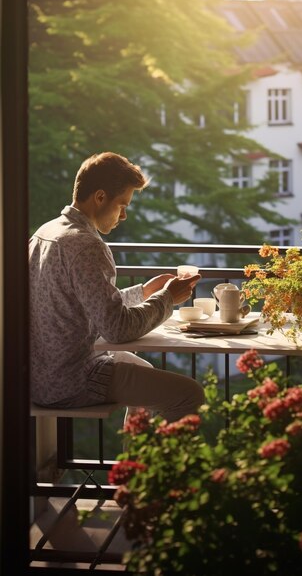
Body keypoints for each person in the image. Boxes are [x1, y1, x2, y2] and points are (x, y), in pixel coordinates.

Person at [29, 151, 204, 422]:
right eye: (122, 205)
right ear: (100, 197)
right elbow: (117, 329)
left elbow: (86, 305)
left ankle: (134, 462)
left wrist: (144, 292)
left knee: (143, 371)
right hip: (72, 380)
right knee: (189, 394)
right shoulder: (87, 245)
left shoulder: (46, 233)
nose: (123, 216)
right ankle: (159, 464)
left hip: (37, 376)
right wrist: (168, 298)